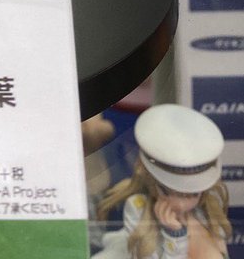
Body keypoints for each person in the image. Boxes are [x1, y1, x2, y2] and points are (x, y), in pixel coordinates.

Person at [96, 103, 230, 258]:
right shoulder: (138, 208)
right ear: (153, 182)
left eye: (192, 194)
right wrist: (175, 236)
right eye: (167, 192)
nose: (180, 204)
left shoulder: (208, 207)